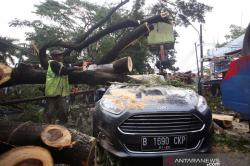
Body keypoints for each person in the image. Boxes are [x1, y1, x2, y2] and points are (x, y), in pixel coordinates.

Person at [45, 49, 81, 124]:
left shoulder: (61, 64)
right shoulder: (53, 63)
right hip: (52, 92)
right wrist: (74, 68)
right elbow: (64, 71)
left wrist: (80, 64)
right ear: (54, 57)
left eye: (61, 54)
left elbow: (68, 67)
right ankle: (48, 126)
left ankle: (63, 126)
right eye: (59, 55)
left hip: (61, 92)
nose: (61, 56)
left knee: (63, 110)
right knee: (50, 112)